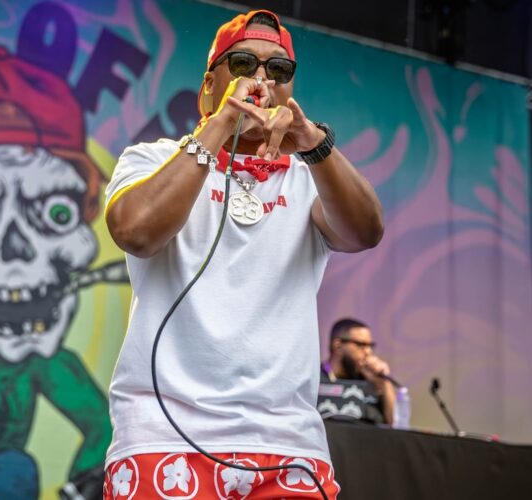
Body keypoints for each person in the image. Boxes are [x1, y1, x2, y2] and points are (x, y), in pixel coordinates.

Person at [103, 9, 383, 499]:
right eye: (243, 63)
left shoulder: (308, 181)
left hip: (288, 446)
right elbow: (136, 231)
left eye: (278, 69)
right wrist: (221, 124)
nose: (261, 78)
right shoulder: (153, 159)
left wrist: (313, 144)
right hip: (164, 437)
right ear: (208, 86)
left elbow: (366, 232)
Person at [320, 318, 396, 425]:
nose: (368, 352)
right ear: (337, 345)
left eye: (370, 346)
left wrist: (384, 383)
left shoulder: (370, 381)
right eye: (361, 345)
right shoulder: (315, 378)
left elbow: (395, 424)